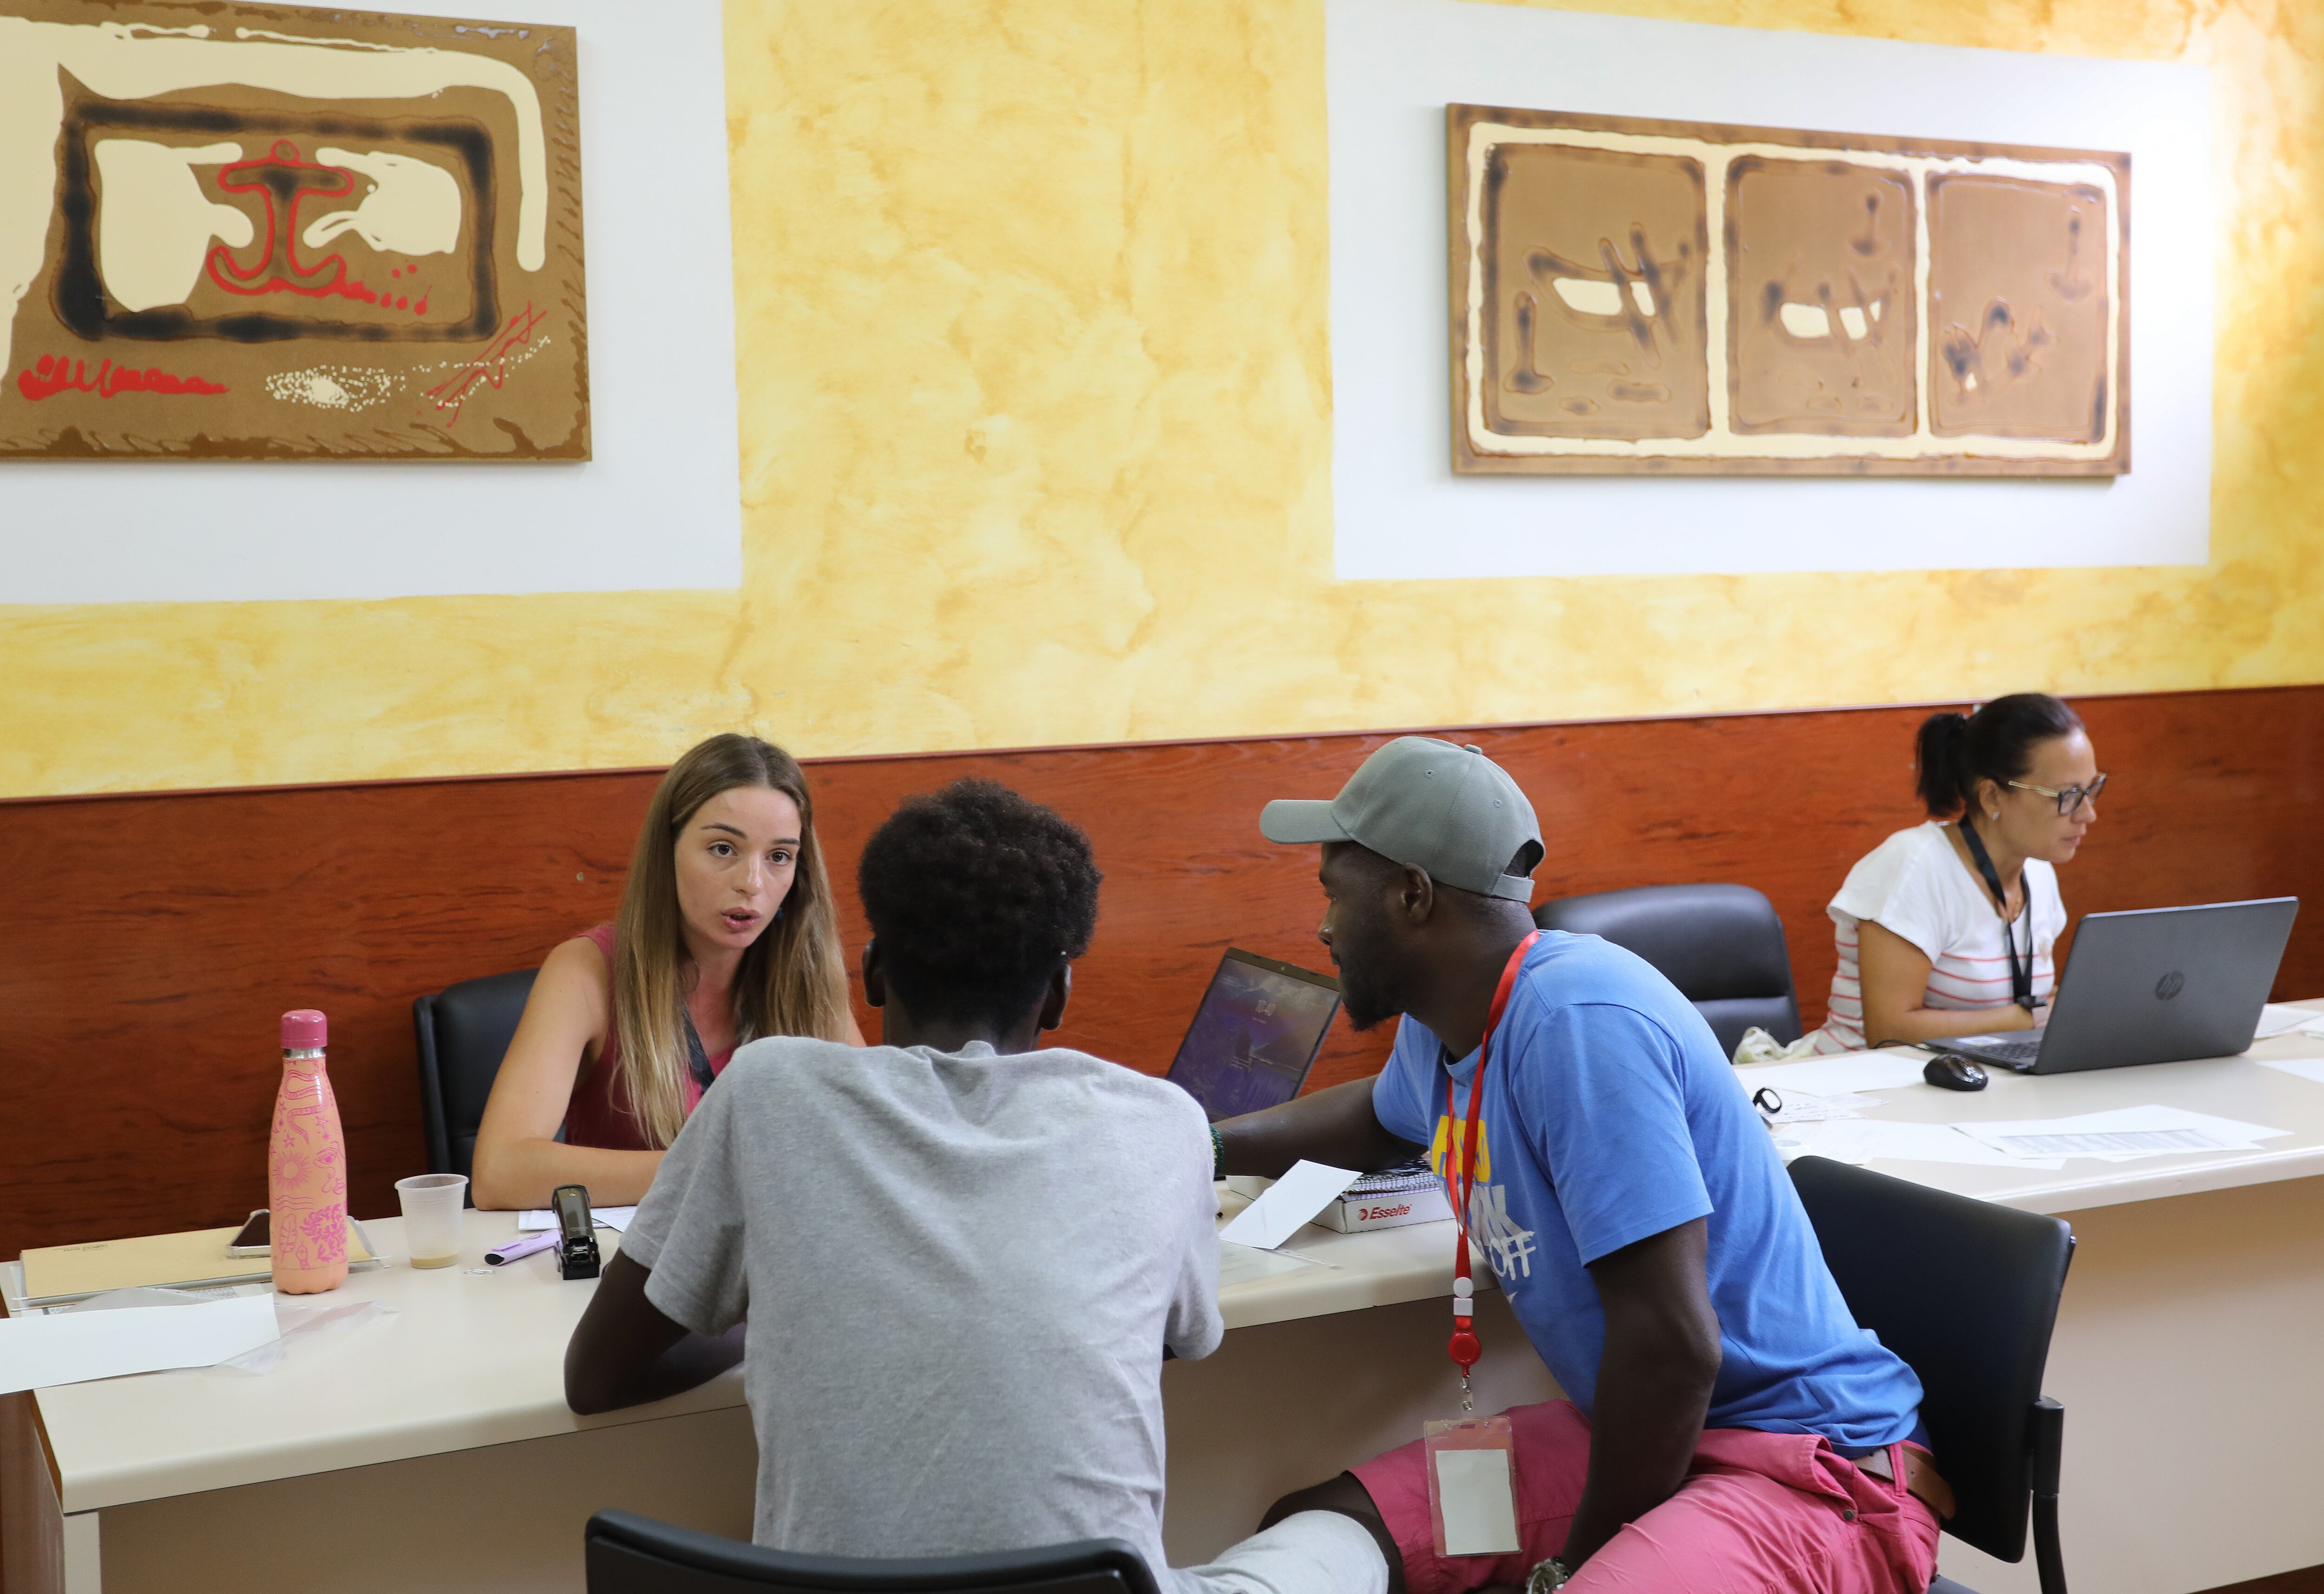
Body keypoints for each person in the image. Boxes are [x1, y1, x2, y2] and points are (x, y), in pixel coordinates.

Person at [562, 778, 1385, 1594]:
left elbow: (595, 1373)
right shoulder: (1162, 1123)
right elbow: (1177, 1335)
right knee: (1350, 1525)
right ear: (1059, 990)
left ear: (875, 972)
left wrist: (786, 1305)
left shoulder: (766, 1091)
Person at [1219, 736, 1946, 1594]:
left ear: (1411, 893)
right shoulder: (1451, 1014)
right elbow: (1376, 1117)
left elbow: (1674, 1348)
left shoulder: (1579, 1020)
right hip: (1648, 1440)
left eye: (1334, 893)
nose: (1325, 925)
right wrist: (1199, 1142)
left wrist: (1571, 1566)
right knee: (1328, 1528)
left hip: (1810, 1472)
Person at [471, 733, 861, 1210]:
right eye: (722, 849)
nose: (752, 883)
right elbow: (499, 1172)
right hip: (629, 1271)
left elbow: (870, 1138)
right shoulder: (586, 971)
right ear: (668, 851)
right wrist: (721, 1165)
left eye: (778, 856)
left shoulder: (807, 975)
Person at [1800, 694, 2103, 1055]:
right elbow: (1890, 1030)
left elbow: (2034, 1001)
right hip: (1866, 1089)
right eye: (2067, 796)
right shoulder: (1913, 867)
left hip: (1975, 1081)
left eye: (2091, 790)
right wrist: (2032, 1018)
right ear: (1992, 797)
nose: (2088, 815)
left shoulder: (2038, 872)